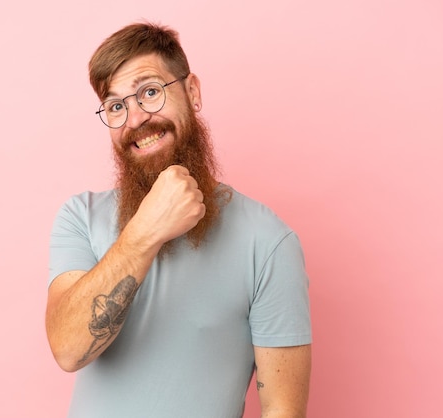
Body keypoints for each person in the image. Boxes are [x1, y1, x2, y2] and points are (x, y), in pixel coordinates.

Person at [46, 22, 312, 418]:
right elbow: (67, 350)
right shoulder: (80, 216)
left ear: (192, 92)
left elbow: (283, 410)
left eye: (150, 92)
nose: (134, 118)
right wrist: (146, 230)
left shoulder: (268, 241)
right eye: (116, 106)